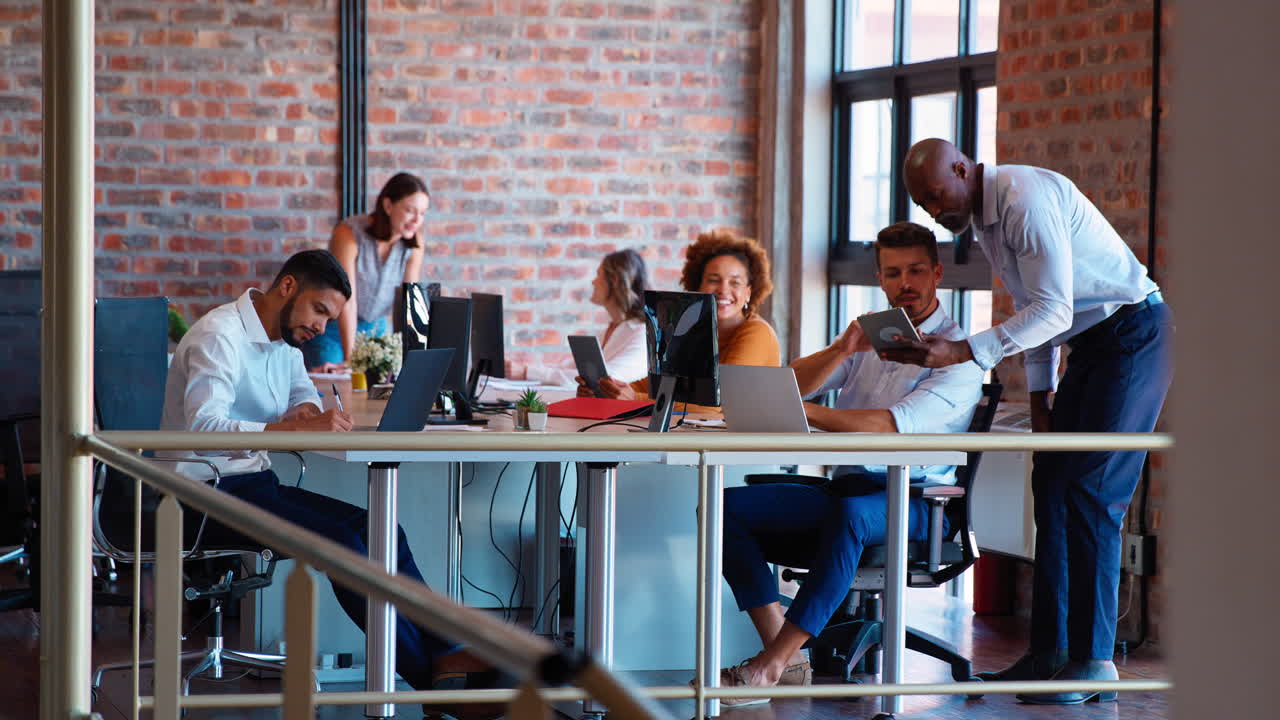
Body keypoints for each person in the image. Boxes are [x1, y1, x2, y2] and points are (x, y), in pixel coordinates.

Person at [892, 138, 1174, 704]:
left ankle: (1094, 661)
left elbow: (1055, 311)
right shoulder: (988, 224)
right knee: (1050, 485)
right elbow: (1038, 314)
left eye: (934, 194)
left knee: (1092, 492)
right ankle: (1049, 652)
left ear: (961, 167)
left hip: (1135, 335)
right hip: (1092, 347)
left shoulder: (1022, 197)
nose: (932, 209)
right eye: (921, 205)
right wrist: (1041, 405)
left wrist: (961, 351)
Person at [160, 249, 495, 714]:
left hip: (252, 483)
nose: (322, 327)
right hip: (202, 493)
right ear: (288, 288)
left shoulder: (285, 343)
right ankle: (433, 681)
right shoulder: (220, 336)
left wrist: (309, 413)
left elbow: (303, 399)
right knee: (344, 546)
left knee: (381, 530)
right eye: (320, 311)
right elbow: (203, 428)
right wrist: (290, 428)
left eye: (330, 318)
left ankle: (447, 654)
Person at [713, 222, 982, 706]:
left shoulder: (958, 358)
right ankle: (787, 652)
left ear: (938, 273)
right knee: (723, 507)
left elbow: (885, 427)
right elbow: (789, 384)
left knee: (852, 515)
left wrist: (806, 414)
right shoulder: (876, 337)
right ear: (880, 279)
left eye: (917, 270)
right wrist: (842, 349)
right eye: (894, 272)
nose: (906, 283)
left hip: (918, 504)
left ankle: (769, 665)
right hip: (847, 491)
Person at [591, 230, 781, 408]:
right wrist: (607, 389)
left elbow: (719, 403)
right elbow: (658, 383)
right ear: (698, 286)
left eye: (735, 282)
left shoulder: (757, 333)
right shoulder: (694, 330)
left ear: (749, 292)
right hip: (700, 438)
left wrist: (634, 399)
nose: (723, 289)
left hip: (745, 441)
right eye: (714, 280)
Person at [304, 172, 429, 372]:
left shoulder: (414, 243)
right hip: (334, 330)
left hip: (376, 330)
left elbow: (410, 303)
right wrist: (351, 359)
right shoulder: (348, 234)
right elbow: (348, 300)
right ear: (388, 206)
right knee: (339, 386)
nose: (417, 220)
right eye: (410, 210)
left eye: (422, 213)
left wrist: (414, 360)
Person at [505, 248, 650, 386]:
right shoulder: (608, 331)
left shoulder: (641, 334)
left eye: (598, 274)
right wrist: (523, 368)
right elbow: (569, 368)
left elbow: (606, 379)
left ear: (614, 280)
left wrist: (526, 372)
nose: (593, 281)